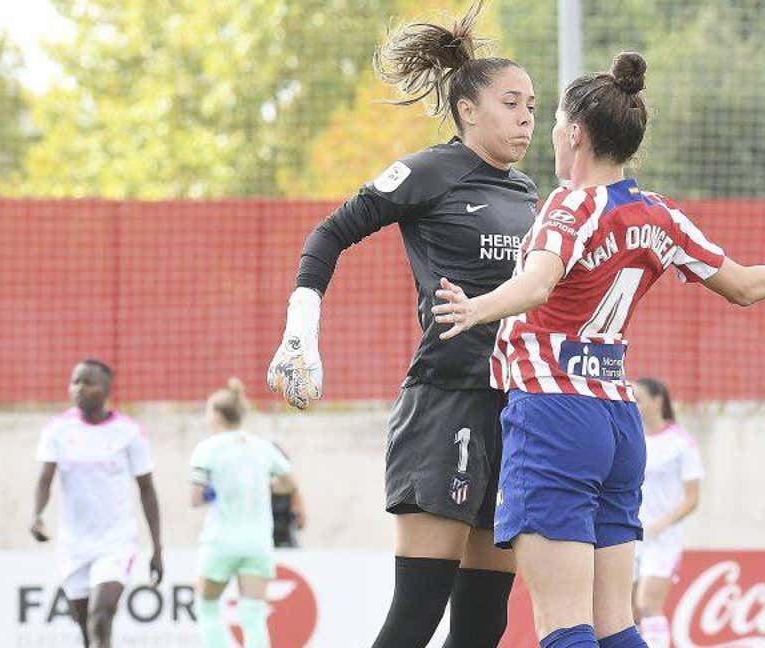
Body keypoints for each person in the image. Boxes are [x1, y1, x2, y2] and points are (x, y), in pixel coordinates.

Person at [433, 51, 765, 648]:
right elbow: (742, 286)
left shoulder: (569, 204)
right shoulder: (660, 215)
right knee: (617, 624)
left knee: (565, 626)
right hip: (618, 424)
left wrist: (476, 308)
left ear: (576, 134)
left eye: (555, 121)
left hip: (554, 413)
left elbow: (538, 283)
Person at [266, 3, 539, 646]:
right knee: (418, 611)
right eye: (511, 102)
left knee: (484, 622)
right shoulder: (428, 171)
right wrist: (301, 325)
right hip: (446, 402)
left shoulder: (528, 192)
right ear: (468, 109)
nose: (527, 116)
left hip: (514, 405)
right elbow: (329, 232)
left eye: (532, 103)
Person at [30, 359, 163, 648]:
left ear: (105, 389)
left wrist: (157, 548)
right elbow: (44, 479)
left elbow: (147, 490)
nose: (78, 388)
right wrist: (37, 515)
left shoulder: (129, 432)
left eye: (87, 382)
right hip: (74, 542)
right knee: (88, 632)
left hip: (116, 540)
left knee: (100, 616)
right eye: (74, 382)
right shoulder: (57, 430)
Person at [190, 378, 298, 648]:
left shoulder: (207, 448)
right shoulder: (262, 447)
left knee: (208, 607)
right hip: (258, 542)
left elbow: (195, 498)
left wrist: (214, 492)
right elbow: (289, 483)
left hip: (221, 541)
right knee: (253, 616)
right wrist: (266, 486)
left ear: (216, 414)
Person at [631, 378, 702, 648]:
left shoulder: (680, 443)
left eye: (638, 399)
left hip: (662, 539)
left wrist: (662, 524)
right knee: (626, 610)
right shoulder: (632, 437)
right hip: (631, 534)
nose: (633, 406)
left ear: (657, 400)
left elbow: (692, 498)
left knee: (648, 602)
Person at [270, 442, 306, 548]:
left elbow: (301, 523)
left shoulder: (291, 489)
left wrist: (298, 514)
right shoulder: (257, 489)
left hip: (286, 543)